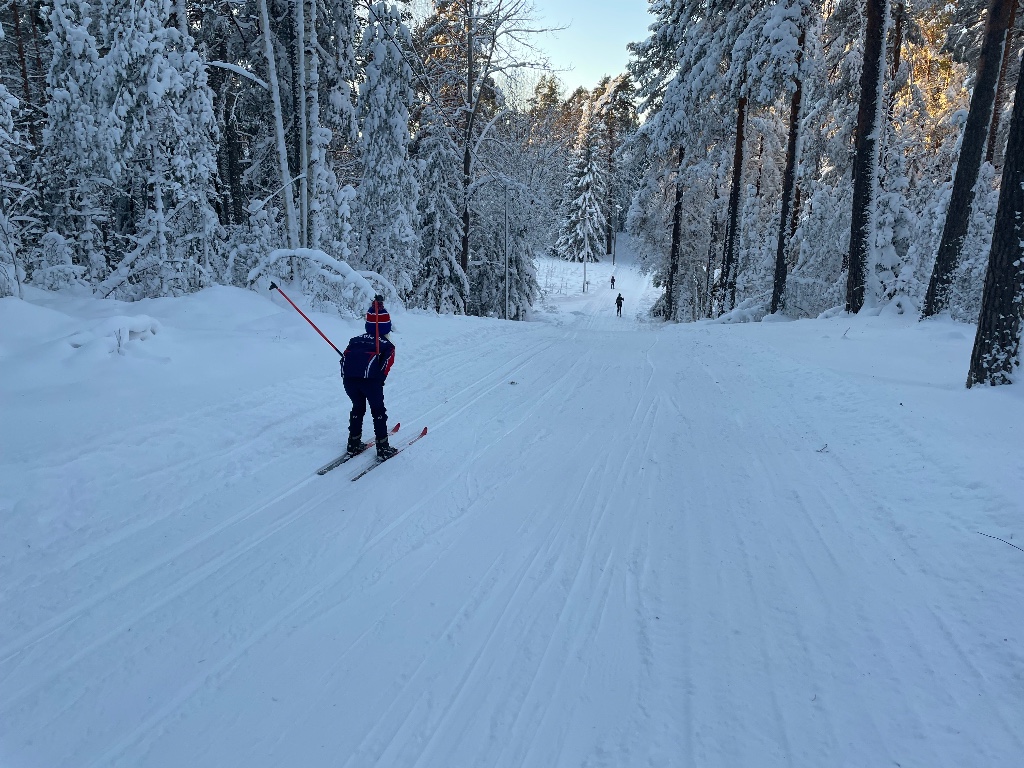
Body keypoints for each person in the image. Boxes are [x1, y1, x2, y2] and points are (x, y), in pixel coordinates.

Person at [341, 295, 398, 460]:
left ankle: (353, 444)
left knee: (358, 408)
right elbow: (386, 366)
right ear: (386, 327)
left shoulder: (354, 340)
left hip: (349, 381)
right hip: (371, 382)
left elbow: (344, 359)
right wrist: (379, 379)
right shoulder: (387, 345)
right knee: (378, 410)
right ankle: (383, 448)